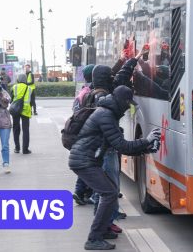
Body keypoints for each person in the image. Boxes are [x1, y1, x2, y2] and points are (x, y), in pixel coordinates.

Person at [69, 86, 161, 250]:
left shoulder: (108, 113)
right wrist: (146, 141)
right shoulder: (106, 115)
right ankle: (93, 239)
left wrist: (146, 148)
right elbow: (122, 145)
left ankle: (102, 230)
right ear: (121, 101)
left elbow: (118, 146)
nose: (128, 107)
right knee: (109, 193)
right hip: (83, 161)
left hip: (88, 160)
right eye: (127, 103)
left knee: (109, 191)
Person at [72, 64, 97, 205]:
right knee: (92, 164)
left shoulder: (82, 91)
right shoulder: (91, 92)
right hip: (89, 132)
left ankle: (81, 191)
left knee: (87, 163)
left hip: (80, 131)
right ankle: (82, 191)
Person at [11, 74, 33, 154]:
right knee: (25, 130)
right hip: (25, 111)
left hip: (16, 110)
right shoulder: (29, 88)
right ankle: (25, 149)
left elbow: (11, 99)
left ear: (18, 79)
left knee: (16, 129)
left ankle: (17, 148)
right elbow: (32, 101)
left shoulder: (14, 87)